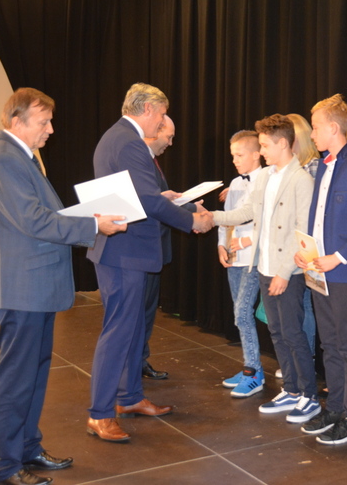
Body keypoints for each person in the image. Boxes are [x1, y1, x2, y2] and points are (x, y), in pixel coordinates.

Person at [0, 88, 126, 485]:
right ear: (17, 122)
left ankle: (27, 448)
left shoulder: (19, 157)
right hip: (21, 289)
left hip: (33, 288)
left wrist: (88, 217)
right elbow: (34, 221)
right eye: (43, 122)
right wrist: (93, 225)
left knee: (34, 374)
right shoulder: (4, 159)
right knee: (16, 380)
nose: (51, 129)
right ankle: (4, 467)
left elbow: (41, 215)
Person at [86, 83, 213, 443]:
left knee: (131, 330)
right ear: (147, 109)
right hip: (124, 252)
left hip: (123, 250)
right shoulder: (129, 142)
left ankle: (128, 397)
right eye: (161, 114)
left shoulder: (117, 137)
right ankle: (100, 414)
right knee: (118, 332)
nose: (161, 123)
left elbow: (140, 196)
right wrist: (191, 220)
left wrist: (162, 196)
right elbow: (146, 201)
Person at [210, 114, 317, 423]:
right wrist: (212, 217)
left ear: (283, 144)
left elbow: (302, 232)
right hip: (265, 267)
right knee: (277, 331)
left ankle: (309, 395)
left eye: (266, 145)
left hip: (288, 272)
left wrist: (284, 272)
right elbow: (246, 211)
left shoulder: (301, 180)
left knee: (294, 333)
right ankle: (292, 390)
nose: (263, 151)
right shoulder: (266, 176)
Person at [294, 94, 347, 445]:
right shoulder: (323, 167)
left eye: (315, 128)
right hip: (319, 271)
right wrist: (306, 252)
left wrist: (339, 257)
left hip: (344, 274)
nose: (312, 134)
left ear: (332, 128)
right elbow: (319, 220)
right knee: (329, 344)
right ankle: (336, 408)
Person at [140, 115, 198, 380]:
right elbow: (151, 205)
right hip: (141, 250)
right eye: (169, 136)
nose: (171, 143)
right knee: (138, 313)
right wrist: (191, 214)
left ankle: (140, 360)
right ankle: (133, 366)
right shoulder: (140, 161)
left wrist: (189, 206)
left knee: (147, 312)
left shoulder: (151, 161)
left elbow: (159, 201)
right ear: (155, 129)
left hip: (154, 250)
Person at [218, 130, 265, 397]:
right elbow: (227, 219)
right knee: (240, 315)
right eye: (232, 155)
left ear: (257, 154)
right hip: (235, 258)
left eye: (240, 155)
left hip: (254, 259)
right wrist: (221, 245)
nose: (235, 160)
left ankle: (253, 372)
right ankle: (250, 365)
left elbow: (269, 221)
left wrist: (247, 241)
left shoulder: (267, 180)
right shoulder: (235, 183)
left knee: (243, 312)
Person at [288, 112, 318, 359]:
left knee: (304, 304)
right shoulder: (291, 169)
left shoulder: (312, 166)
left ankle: (305, 359)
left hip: (306, 245)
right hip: (293, 245)